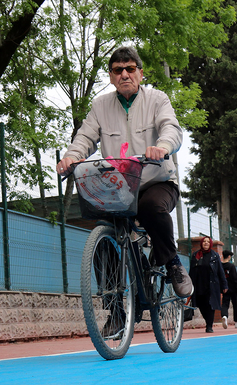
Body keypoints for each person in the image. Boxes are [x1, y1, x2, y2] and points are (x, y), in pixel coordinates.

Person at [56, 46, 192, 299]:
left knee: (152, 207)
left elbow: (171, 128)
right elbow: (85, 136)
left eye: (130, 69)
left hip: (157, 180)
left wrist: (162, 147)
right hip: (120, 188)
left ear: (140, 73)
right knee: (103, 238)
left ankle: (173, 263)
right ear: (111, 76)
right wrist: (71, 157)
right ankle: (115, 309)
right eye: (118, 70)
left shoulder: (157, 99)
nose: (124, 75)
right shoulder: (101, 105)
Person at [189, 237, 227, 333]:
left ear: (210, 244)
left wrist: (224, 285)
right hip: (198, 284)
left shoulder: (215, 256)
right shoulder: (195, 255)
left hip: (212, 284)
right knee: (201, 304)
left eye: (207, 242)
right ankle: (208, 321)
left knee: (210, 305)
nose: (206, 243)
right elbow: (191, 271)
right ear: (201, 243)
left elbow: (220, 271)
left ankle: (209, 325)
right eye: (204, 242)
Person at [221, 250, 237, 329]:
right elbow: (234, 279)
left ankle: (224, 316)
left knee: (225, 304)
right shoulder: (231, 266)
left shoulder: (220, 266)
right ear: (229, 256)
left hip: (224, 288)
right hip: (233, 289)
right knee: (235, 306)